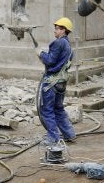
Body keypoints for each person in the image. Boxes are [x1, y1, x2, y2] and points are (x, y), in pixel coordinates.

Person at [36, 17, 76, 145]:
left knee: (47, 110)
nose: (55, 30)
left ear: (64, 30)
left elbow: (50, 61)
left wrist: (41, 53)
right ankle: (69, 134)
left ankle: (53, 138)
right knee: (58, 108)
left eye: (57, 28)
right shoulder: (69, 45)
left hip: (51, 83)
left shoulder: (58, 43)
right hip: (61, 83)